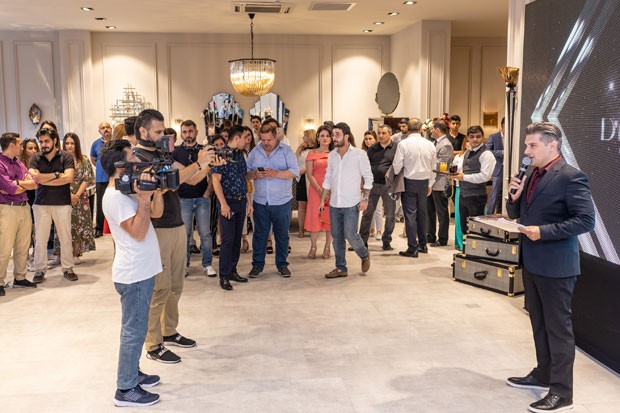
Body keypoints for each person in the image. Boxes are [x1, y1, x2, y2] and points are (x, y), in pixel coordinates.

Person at [506, 122, 595, 413]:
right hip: (532, 262)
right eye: (526, 146)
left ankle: (561, 392)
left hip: (557, 266)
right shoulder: (531, 174)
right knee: (539, 324)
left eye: (532, 146)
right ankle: (543, 373)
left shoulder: (571, 176)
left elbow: (586, 220)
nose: (527, 152)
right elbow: (516, 213)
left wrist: (543, 232)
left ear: (552, 145)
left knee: (558, 330)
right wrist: (513, 197)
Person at [134, 109, 217, 364]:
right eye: (158, 131)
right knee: (160, 288)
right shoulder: (138, 158)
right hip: (157, 228)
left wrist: (208, 163)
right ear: (143, 131)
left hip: (176, 223)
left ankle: (169, 331)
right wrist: (198, 163)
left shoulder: (162, 155)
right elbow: (165, 182)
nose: (163, 136)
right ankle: (153, 343)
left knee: (175, 285)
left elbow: (189, 178)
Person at [100, 139, 165, 407]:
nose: (138, 160)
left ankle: (132, 373)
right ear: (120, 164)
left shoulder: (127, 189)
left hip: (142, 269)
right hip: (133, 273)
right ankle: (125, 389)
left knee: (137, 328)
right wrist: (144, 198)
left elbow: (156, 214)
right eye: (133, 156)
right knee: (133, 331)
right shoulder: (115, 197)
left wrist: (156, 192)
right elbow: (138, 232)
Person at [246, 123, 300, 278]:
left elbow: (295, 172)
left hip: (282, 201)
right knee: (259, 235)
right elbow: (246, 173)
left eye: (268, 140)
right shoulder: (255, 152)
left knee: (282, 235)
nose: (265, 143)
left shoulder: (286, 151)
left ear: (276, 136)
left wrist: (276, 173)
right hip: (261, 201)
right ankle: (257, 265)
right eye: (263, 140)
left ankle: (282, 265)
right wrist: (255, 174)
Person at [320, 122, 372, 278]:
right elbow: (328, 177)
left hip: (351, 202)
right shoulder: (332, 155)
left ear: (346, 136)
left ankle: (364, 254)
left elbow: (368, 177)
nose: (334, 138)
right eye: (333, 135)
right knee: (337, 237)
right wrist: (322, 199)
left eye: (337, 135)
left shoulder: (359, 154)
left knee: (350, 234)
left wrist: (365, 199)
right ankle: (341, 268)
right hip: (335, 203)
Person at [29, 127, 77, 282]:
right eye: (41, 141)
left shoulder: (66, 156)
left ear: (55, 140)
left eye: (46, 141)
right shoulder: (35, 158)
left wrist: (43, 178)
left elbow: (68, 178)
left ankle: (68, 268)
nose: (43, 144)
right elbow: (35, 179)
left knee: (65, 238)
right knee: (40, 239)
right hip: (41, 203)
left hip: (62, 203)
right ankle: (39, 270)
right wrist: (57, 175)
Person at [172, 120, 216, 277]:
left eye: (190, 131)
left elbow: (212, 174)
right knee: (185, 235)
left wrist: (208, 192)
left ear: (196, 132)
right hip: (183, 199)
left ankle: (207, 264)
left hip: (202, 198)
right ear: (181, 134)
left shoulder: (205, 151)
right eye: (184, 132)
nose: (188, 134)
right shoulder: (175, 153)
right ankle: (185, 265)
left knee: (205, 233)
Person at [211, 126, 251, 291]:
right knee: (227, 240)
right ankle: (224, 275)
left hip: (241, 201)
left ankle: (232, 270)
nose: (247, 141)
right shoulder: (222, 154)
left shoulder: (240, 155)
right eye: (245, 137)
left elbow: (243, 179)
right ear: (236, 138)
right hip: (228, 201)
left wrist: (249, 202)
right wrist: (223, 204)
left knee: (236, 239)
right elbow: (215, 180)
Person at [0, 133, 38, 296]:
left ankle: (20, 277)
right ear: (11, 145)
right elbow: (10, 188)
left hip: (24, 207)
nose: (21, 147)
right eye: (19, 144)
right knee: (4, 246)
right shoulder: (0, 164)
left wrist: (17, 183)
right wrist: (21, 185)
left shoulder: (19, 163)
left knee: (23, 245)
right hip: (7, 208)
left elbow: (35, 183)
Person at [392, 118, 436, 258]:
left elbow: (397, 166)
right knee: (422, 214)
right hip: (424, 182)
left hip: (409, 181)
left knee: (410, 214)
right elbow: (433, 167)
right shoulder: (430, 144)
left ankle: (412, 247)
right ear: (421, 129)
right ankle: (423, 245)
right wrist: (430, 184)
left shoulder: (403, 144)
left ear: (407, 129)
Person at [53, 133, 96, 264]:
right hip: (63, 195)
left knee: (79, 225)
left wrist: (77, 195)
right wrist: (69, 194)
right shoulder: (59, 160)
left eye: (72, 143)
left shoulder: (84, 160)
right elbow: (57, 178)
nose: (69, 146)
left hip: (80, 198)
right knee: (62, 225)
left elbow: (87, 179)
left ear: (77, 145)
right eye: (67, 143)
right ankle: (61, 254)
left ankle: (75, 254)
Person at [359, 125, 398, 251]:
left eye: (383, 133)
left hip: (389, 186)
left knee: (390, 215)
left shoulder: (396, 147)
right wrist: (363, 181)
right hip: (373, 185)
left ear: (390, 134)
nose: (380, 135)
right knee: (367, 213)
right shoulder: (373, 148)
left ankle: (386, 241)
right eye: (379, 133)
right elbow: (366, 166)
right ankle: (362, 242)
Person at [453, 125, 496, 236]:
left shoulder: (487, 154)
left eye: (478, 136)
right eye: (472, 137)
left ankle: (474, 248)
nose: (475, 139)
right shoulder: (467, 152)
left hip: (477, 196)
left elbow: (485, 176)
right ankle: (465, 247)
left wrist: (464, 177)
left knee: (476, 230)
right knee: (464, 228)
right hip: (463, 195)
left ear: (482, 137)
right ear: (467, 138)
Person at [305, 125, 333, 259]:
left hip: (332, 190)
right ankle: (313, 246)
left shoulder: (335, 154)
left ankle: (327, 246)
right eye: (322, 136)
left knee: (330, 219)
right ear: (317, 138)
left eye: (328, 136)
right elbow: (309, 174)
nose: (325, 138)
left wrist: (329, 190)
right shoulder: (312, 154)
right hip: (316, 189)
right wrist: (320, 190)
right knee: (314, 217)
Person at [427, 121, 453, 247]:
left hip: (440, 182)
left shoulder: (446, 145)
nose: (431, 131)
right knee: (429, 211)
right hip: (431, 182)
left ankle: (442, 238)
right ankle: (430, 235)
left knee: (441, 212)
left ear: (437, 130)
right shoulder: (434, 143)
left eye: (432, 129)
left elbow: (442, 166)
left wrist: (425, 163)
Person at [90, 122, 112, 238]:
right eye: (103, 128)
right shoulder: (95, 144)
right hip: (101, 178)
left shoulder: (116, 142)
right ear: (99, 131)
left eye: (107, 127)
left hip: (114, 178)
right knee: (100, 204)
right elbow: (93, 159)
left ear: (111, 129)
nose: (105, 129)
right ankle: (99, 229)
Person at [295, 129, 316, 238]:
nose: (303, 137)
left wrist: (306, 170)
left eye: (305, 135)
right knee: (301, 205)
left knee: (312, 205)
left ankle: (312, 229)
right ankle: (301, 230)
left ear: (310, 136)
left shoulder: (317, 150)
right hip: (301, 179)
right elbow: (293, 161)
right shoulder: (302, 150)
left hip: (313, 178)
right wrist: (299, 148)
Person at [452, 137, 469, 251]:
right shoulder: (458, 157)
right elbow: (453, 170)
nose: (470, 143)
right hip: (460, 187)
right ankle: (460, 242)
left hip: (474, 189)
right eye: (467, 141)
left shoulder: (481, 156)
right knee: (459, 216)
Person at [240, 126, 255, 253]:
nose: (247, 138)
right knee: (243, 212)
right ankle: (244, 239)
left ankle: (260, 239)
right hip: (242, 183)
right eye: (245, 135)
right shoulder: (238, 152)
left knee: (255, 212)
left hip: (256, 183)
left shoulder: (257, 150)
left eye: (249, 135)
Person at [486, 117, 505, 214]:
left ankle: (501, 214)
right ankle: (489, 215)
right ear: (502, 126)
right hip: (498, 169)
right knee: (494, 194)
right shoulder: (493, 137)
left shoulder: (513, 137)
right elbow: (488, 151)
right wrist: (501, 152)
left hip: (510, 169)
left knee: (504, 194)